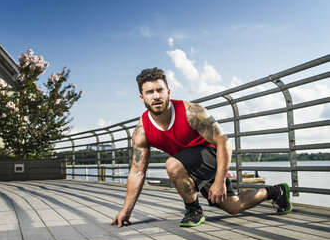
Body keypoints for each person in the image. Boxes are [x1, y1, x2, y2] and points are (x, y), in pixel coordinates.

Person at [110, 67, 292, 228]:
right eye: (150, 92)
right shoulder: (141, 131)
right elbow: (137, 171)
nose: (156, 96)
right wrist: (126, 210)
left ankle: (193, 210)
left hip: (211, 156)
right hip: (187, 164)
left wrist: (220, 181)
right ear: (142, 98)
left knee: (172, 164)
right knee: (233, 206)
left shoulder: (192, 112)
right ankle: (277, 191)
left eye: (160, 90)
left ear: (168, 92)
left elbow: (224, 142)